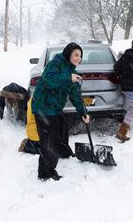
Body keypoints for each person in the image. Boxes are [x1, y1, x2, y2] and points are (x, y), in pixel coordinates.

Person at [31, 42, 90, 181]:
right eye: (76, 55)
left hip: (55, 108)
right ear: (68, 53)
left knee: (62, 128)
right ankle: (45, 173)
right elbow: (48, 80)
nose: (78, 58)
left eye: (80, 56)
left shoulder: (73, 72)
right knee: (49, 140)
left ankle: (64, 152)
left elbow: (75, 96)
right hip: (43, 107)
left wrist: (83, 113)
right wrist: (68, 78)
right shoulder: (55, 64)